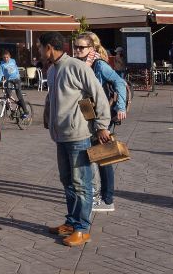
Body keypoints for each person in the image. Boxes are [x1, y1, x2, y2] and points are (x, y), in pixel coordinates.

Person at [41, 31, 112, 248]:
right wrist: (47, 118)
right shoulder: (53, 70)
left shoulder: (77, 67)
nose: (39, 51)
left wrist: (101, 125)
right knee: (67, 180)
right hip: (60, 135)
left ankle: (82, 228)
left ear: (50, 47)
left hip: (78, 134)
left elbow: (98, 96)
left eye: (40, 46)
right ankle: (71, 223)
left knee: (82, 183)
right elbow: (51, 98)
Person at [74, 33, 127, 213]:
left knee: (104, 156)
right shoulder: (83, 65)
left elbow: (119, 82)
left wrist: (121, 107)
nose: (77, 50)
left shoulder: (99, 65)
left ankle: (107, 199)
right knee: (94, 156)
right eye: (76, 47)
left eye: (81, 47)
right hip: (89, 114)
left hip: (101, 117)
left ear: (91, 48)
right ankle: (97, 194)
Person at [0, 50, 30, 118]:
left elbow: (16, 69)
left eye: (7, 57)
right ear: (2, 57)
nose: (6, 59)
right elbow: (0, 74)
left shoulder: (13, 61)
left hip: (16, 80)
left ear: (9, 57)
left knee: (19, 95)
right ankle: (9, 107)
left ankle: (26, 111)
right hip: (9, 81)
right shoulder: (2, 65)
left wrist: (18, 75)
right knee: (8, 94)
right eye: (4, 57)